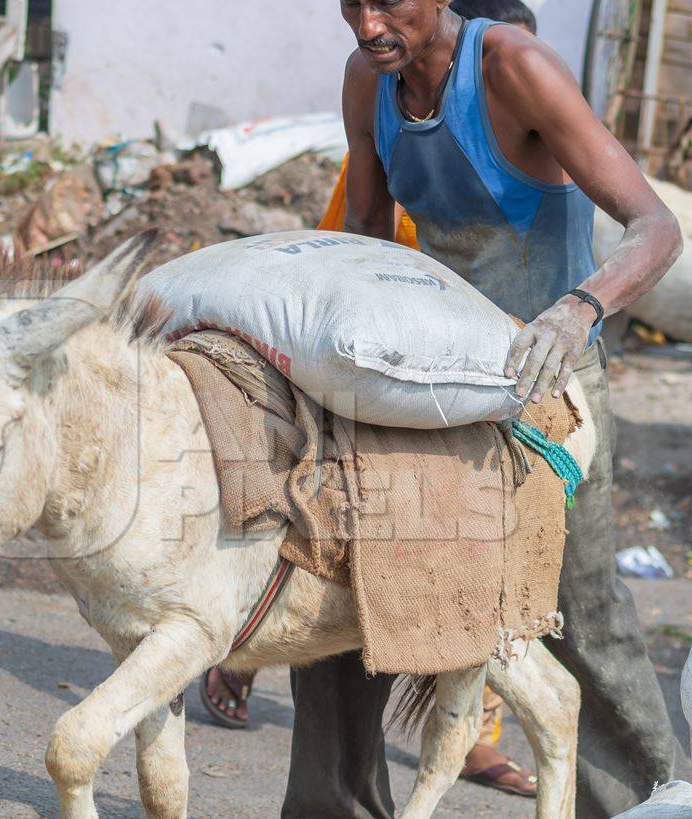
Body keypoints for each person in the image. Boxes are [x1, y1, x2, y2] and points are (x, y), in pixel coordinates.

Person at [281, 2, 681, 818]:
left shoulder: (512, 67)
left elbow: (655, 227)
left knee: (579, 611)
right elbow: (365, 234)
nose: (366, 25)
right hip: (431, 372)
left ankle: (651, 802)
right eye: (350, 4)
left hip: (546, 374)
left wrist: (579, 309)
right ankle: (333, 803)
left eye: (386, 2)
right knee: (351, 570)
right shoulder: (370, 81)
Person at [204, 0, 544, 801]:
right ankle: (247, 642)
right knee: (348, 546)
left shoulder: (529, 152)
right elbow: (343, 267)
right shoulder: (390, 125)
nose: (365, 24)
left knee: (518, 572)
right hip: (401, 367)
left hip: (501, 365)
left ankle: (473, 732)